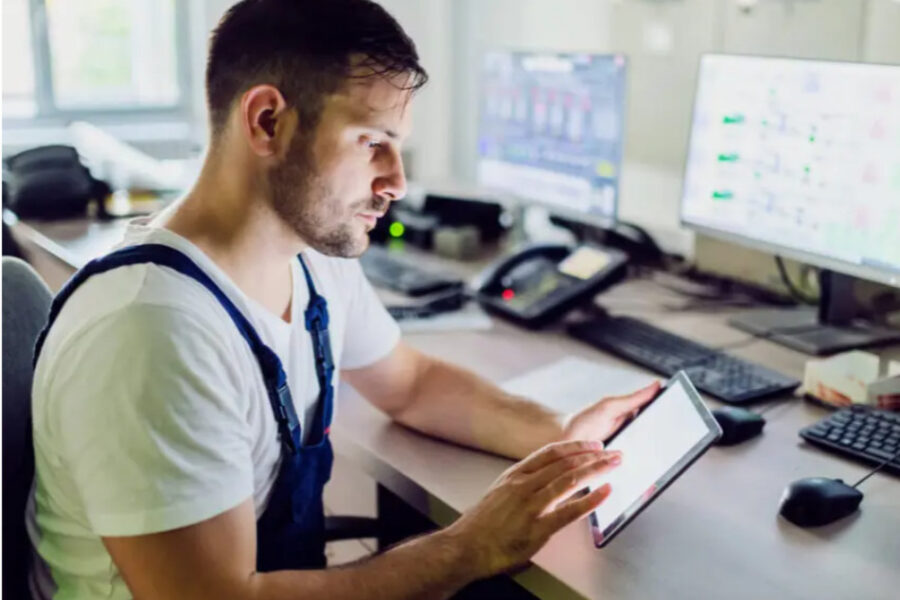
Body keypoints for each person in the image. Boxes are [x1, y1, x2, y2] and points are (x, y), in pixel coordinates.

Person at [27, 1, 659, 598]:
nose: (397, 181)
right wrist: (467, 547)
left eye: (398, 144)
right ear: (267, 121)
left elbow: (410, 383)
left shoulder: (309, 258)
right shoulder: (151, 331)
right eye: (370, 141)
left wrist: (564, 441)